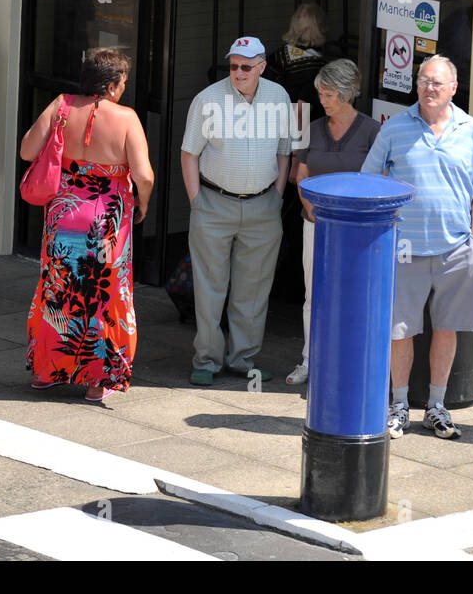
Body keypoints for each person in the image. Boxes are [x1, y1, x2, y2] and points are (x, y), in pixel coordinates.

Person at [361, 54, 473, 440]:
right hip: (404, 249)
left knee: (448, 329)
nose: (429, 87)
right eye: (423, 80)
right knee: (399, 330)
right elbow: (371, 180)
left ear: (453, 88)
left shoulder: (471, 130)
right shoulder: (394, 129)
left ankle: (437, 407)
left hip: (457, 250)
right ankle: (399, 405)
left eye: (437, 82)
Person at [20, 49, 154, 401]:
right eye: (123, 82)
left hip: (64, 211)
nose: (124, 88)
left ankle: (47, 372)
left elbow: (26, 150)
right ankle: (97, 381)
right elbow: (143, 174)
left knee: (59, 287)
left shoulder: (61, 105)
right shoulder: (126, 118)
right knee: (103, 294)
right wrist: (143, 203)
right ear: (111, 86)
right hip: (108, 216)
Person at [180, 36, 292, 386]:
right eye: (233, 66)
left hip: (262, 206)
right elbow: (189, 153)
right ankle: (208, 359)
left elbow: (285, 151)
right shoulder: (208, 99)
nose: (238, 73)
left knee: (254, 288)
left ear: (262, 66)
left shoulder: (279, 97)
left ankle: (243, 358)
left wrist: (277, 194)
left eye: (246, 66)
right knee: (209, 287)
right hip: (214, 203)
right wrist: (196, 200)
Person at [286, 59, 380, 385]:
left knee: (354, 295)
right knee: (315, 295)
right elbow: (301, 175)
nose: (322, 100)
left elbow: (379, 179)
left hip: (356, 230)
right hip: (317, 224)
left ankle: (349, 363)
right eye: (320, 94)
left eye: (327, 94)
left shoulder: (371, 131)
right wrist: (311, 209)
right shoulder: (312, 129)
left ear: (345, 93)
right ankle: (310, 361)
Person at [267, 2, 331, 125]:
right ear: (320, 27)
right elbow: (301, 113)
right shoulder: (315, 67)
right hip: (296, 130)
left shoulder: (277, 56)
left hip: (269, 121)